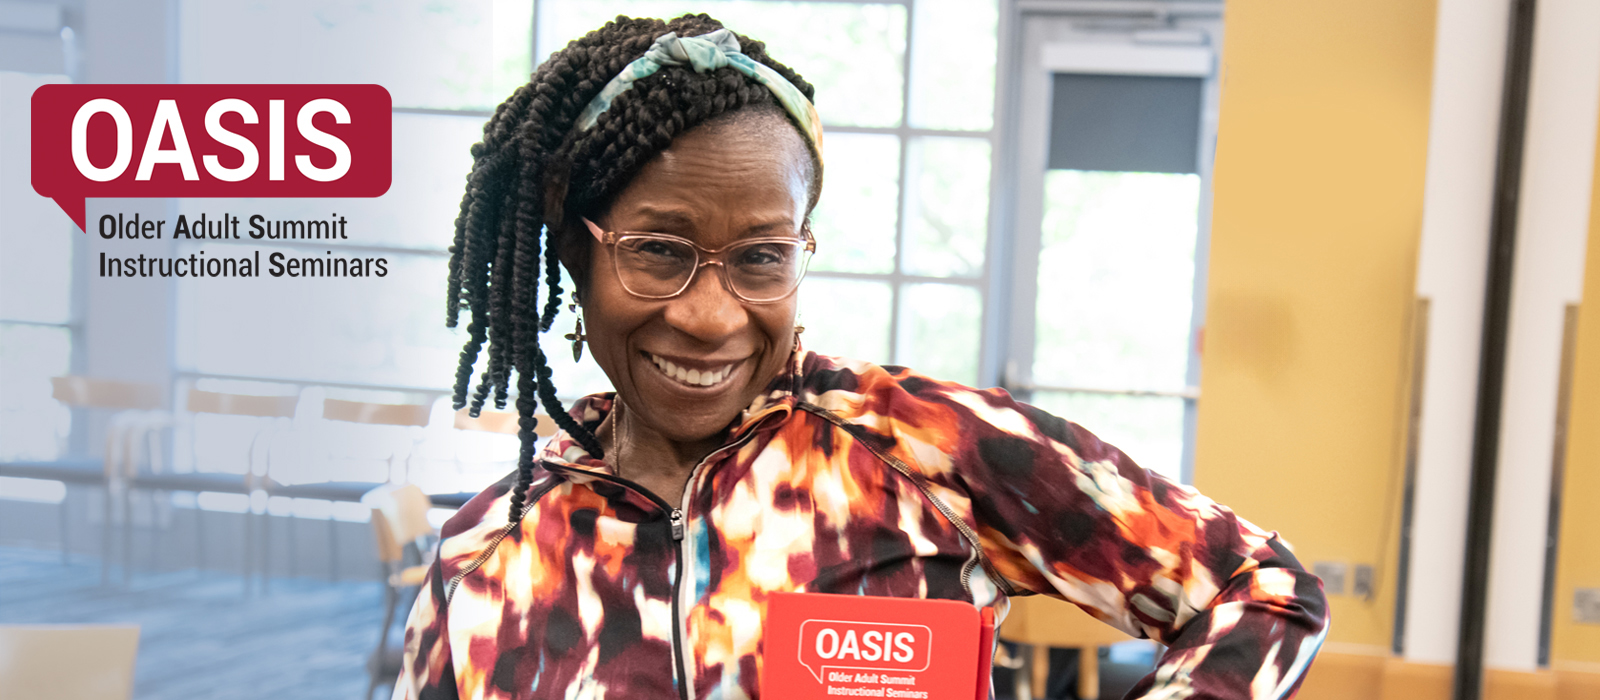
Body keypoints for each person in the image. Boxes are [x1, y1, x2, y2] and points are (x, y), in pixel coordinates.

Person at [396, 13, 1328, 700]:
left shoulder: (923, 448)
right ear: (575, 253)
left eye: (762, 258)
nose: (712, 317)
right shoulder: (486, 556)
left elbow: (1260, 589)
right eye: (659, 252)